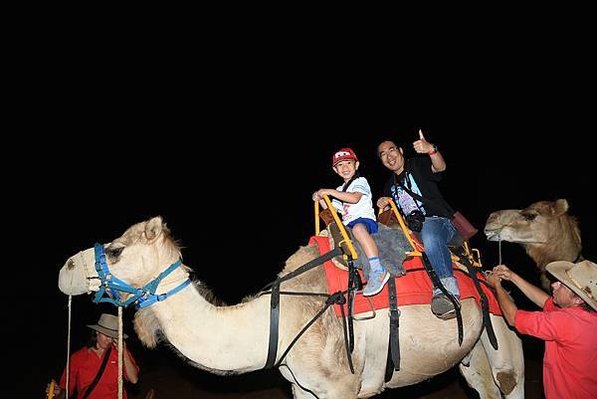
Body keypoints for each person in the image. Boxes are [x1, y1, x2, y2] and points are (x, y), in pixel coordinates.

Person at [376, 130, 459, 319]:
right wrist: (385, 205)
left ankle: (447, 290)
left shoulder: (417, 165)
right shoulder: (389, 186)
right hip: (414, 230)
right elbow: (395, 219)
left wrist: (431, 150)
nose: (389, 157)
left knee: (429, 233)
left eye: (391, 150)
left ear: (401, 151)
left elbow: (440, 168)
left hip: (438, 222)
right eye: (383, 155)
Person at [487, 260, 597, 399]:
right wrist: (512, 276)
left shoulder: (565, 321)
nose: (554, 284)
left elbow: (513, 318)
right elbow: (544, 301)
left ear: (578, 300)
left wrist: (497, 286)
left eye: (562, 285)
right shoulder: (587, 315)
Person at [313, 147, 389, 296]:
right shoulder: (340, 189)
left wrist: (329, 192)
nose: (345, 167)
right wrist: (321, 198)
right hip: (348, 225)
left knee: (358, 229)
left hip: (364, 221)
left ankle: (377, 269)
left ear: (357, 165)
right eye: (340, 165)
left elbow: (354, 198)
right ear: (335, 170)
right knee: (334, 236)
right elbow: (333, 212)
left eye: (348, 163)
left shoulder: (360, 181)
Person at [47, 313, 140, 399]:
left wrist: (124, 352)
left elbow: (134, 379)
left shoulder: (119, 353)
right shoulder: (78, 357)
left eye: (113, 337)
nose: (110, 340)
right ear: (97, 332)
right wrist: (59, 393)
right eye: (107, 335)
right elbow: (66, 390)